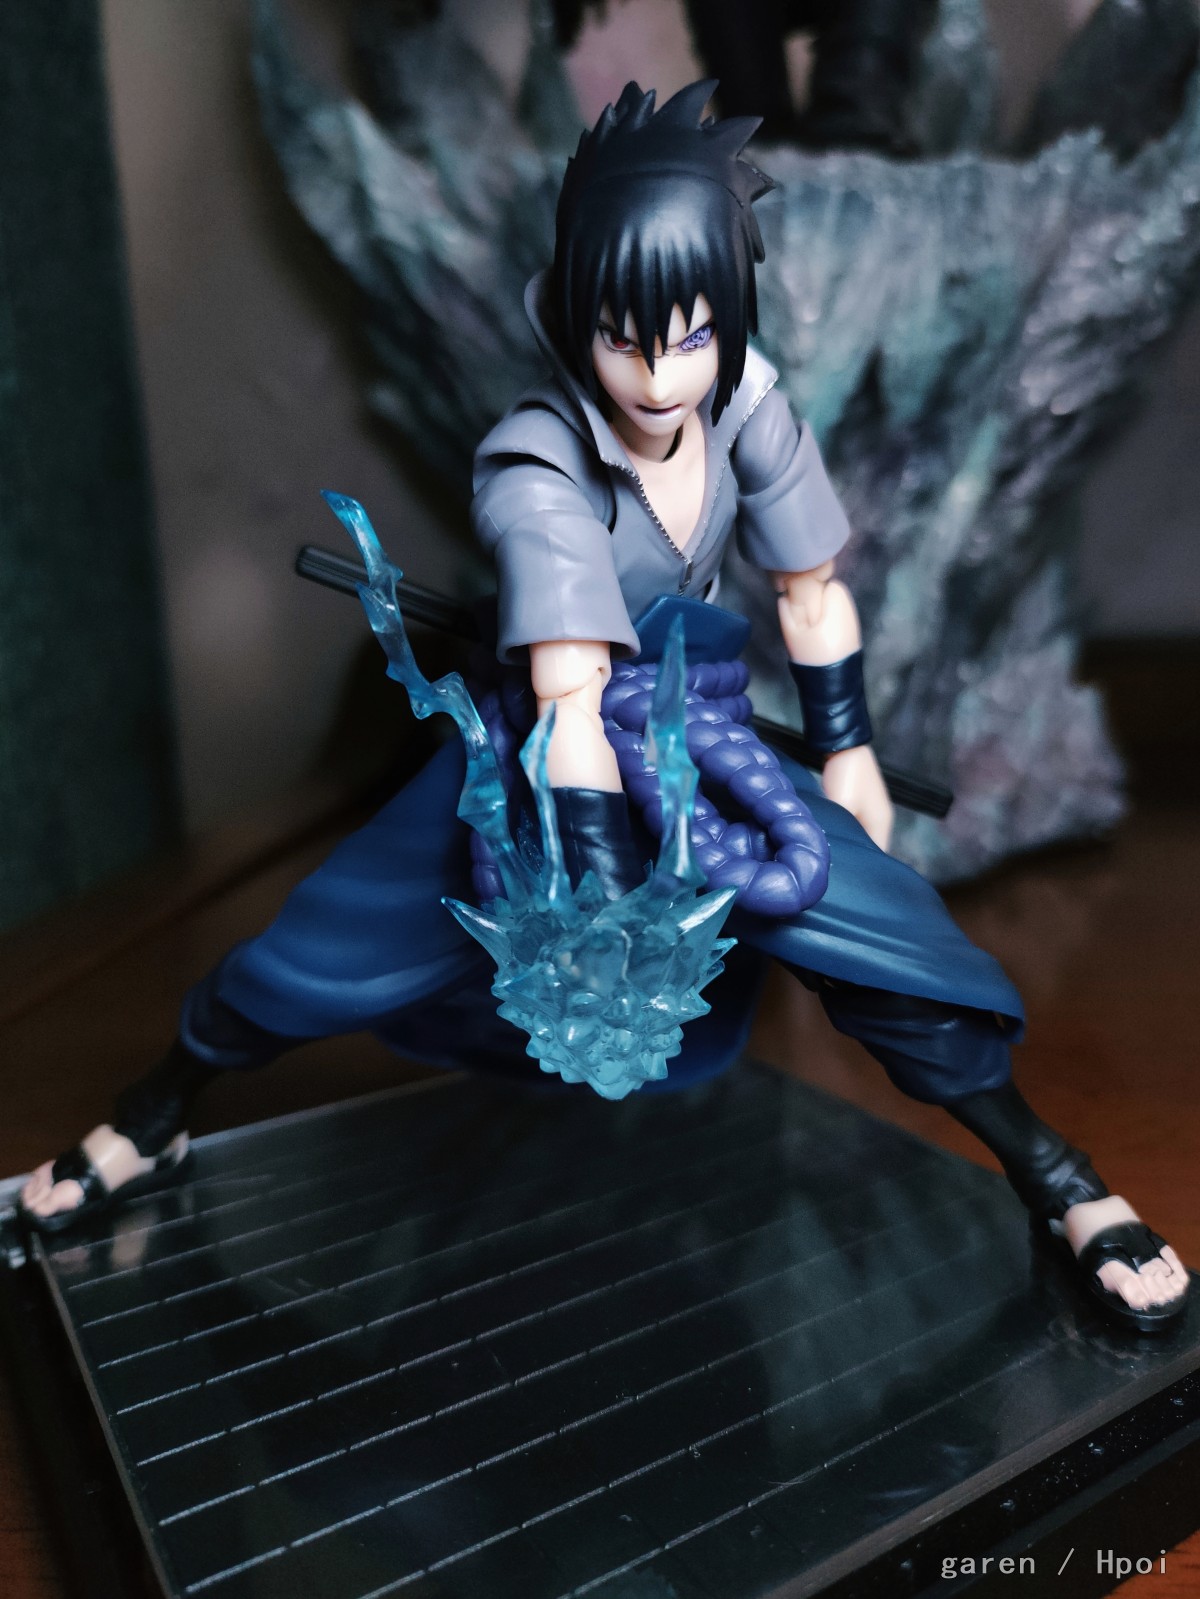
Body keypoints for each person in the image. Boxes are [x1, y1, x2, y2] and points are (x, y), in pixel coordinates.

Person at [21, 81, 1187, 1334]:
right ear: (576, 319)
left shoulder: (746, 400)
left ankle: (1059, 1178)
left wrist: (846, 746)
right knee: (317, 955)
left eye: (691, 336)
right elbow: (570, 701)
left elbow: (810, 589)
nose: (659, 373)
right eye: (627, 339)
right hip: (540, 751)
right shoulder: (537, 461)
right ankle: (152, 1113)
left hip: (703, 723)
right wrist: (594, 894)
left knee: (893, 957)